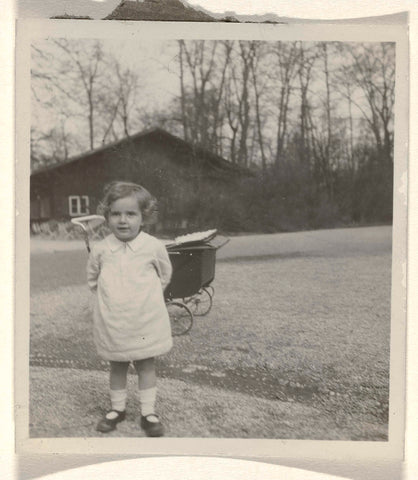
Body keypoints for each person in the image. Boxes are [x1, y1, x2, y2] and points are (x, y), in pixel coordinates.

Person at [87, 181, 173, 437]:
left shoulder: (153, 246)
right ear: (107, 216)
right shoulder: (102, 249)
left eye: (131, 214)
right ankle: (117, 409)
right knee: (118, 365)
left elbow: (164, 275)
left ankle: (148, 412)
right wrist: (112, 299)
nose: (123, 220)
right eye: (116, 214)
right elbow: (93, 280)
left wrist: (145, 299)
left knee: (146, 363)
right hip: (114, 321)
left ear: (143, 216)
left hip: (144, 319)